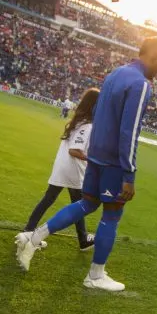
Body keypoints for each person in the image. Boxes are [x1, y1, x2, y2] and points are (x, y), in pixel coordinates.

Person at [15, 38, 157, 291]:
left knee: (87, 204)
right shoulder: (141, 84)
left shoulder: (115, 73)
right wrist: (129, 174)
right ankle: (95, 275)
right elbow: (129, 132)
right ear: (153, 57)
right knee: (112, 215)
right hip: (113, 162)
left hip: (96, 156)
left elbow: (98, 114)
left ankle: (33, 237)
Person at [18, 87, 99, 251]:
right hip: (73, 169)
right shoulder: (87, 126)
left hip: (63, 166)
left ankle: (28, 231)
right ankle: (82, 239)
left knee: (52, 199)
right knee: (79, 205)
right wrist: (93, 160)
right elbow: (74, 150)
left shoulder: (79, 121)